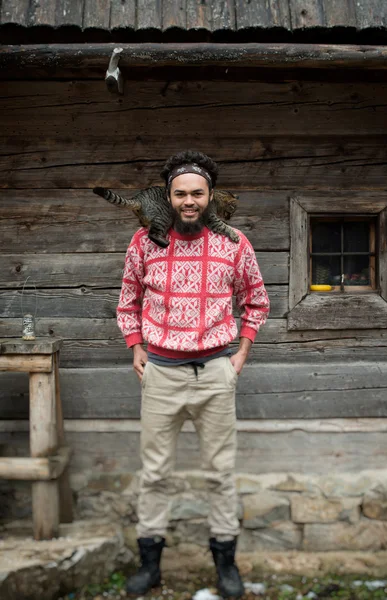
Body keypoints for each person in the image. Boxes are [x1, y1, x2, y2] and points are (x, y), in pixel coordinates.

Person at [117, 150, 270, 598]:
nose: (189, 201)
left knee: (220, 473)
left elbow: (257, 301)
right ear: (168, 196)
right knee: (155, 473)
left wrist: (240, 354)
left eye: (197, 193)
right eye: (180, 193)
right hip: (161, 376)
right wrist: (136, 347)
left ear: (209, 195)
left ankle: (226, 565)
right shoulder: (144, 242)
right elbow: (128, 302)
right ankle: (151, 567)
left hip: (216, 374)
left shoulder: (234, 243)